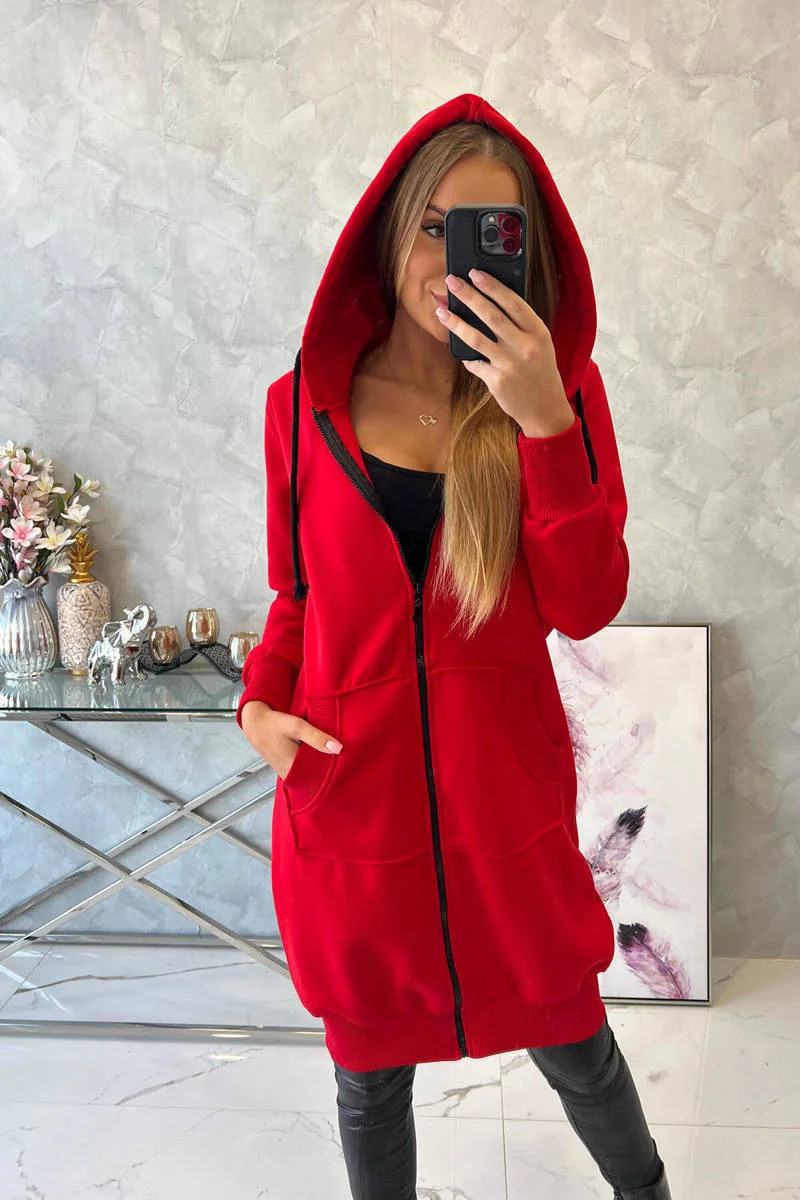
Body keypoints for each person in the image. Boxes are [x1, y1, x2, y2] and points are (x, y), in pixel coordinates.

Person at [238, 93, 672, 1200]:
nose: (454, 257)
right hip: (352, 800)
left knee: (574, 1039)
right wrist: (259, 706)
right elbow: (296, 597)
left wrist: (543, 424)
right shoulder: (302, 406)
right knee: (369, 1076)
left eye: (490, 231)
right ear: (392, 233)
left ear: (527, 252)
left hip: (503, 805)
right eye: (434, 225)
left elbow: (585, 601)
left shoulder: (557, 400)